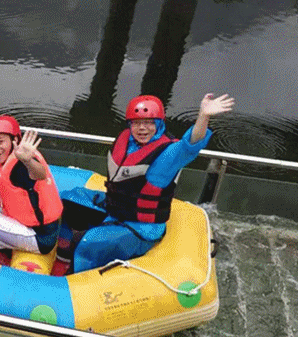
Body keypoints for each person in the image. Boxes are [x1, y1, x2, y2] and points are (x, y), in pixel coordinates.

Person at [63, 93, 234, 273]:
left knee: (85, 243)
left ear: (159, 124)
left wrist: (203, 116)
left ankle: (74, 274)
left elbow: (190, 144)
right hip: (116, 207)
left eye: (149, 123)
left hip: (142, 227)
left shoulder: (167, 156)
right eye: (136, 123)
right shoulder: (127, 140)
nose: (142, 128)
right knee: (68, 199)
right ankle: (64, 253)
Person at [0, 115, 63, 262]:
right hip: (27, 220)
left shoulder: (23, 163)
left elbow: (40, 174)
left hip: (40, 236)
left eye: (0, 142)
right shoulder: (11, 157)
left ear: (14, 140)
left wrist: (28, 161)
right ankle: (2, 240)